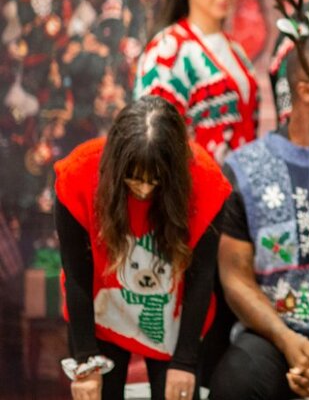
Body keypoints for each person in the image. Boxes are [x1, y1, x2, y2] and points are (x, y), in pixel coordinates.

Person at [54, 96, 230, 400]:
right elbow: (76, 275)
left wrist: (185, 361)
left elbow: (202, 279)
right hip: (103, 311)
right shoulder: (78, 175)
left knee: (177, 392)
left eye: (155, 182)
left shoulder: (206, 181)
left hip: (169, 314)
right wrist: (85, 362)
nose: (144, 190)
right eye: (133, 180)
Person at [211, 34, 309, 400]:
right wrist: (285, 338)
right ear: (305, 92)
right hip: (274, 334)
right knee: (237, 381)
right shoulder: (245, 168)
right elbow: (234, 276)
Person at [135, 0, 259, 164]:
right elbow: (153, 141)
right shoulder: (168, 51)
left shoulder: (236, 49)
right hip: (195, 193)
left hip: (241, 193)